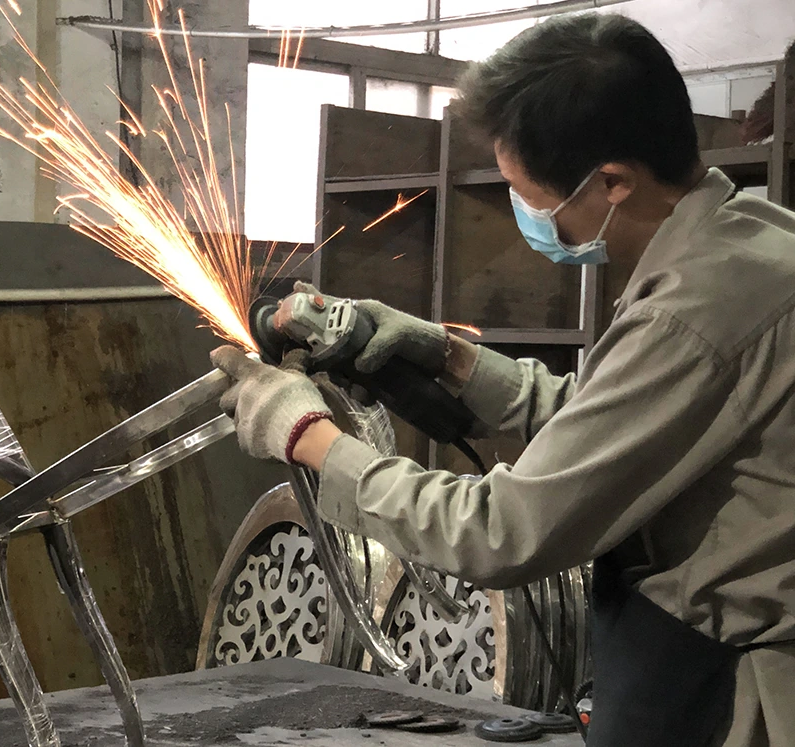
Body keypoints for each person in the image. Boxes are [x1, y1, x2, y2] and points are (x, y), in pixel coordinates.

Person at [213, 13, 795, 747]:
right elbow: (604, 420)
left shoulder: (696, 311)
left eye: (529, 195)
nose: (528, 213)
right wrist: (443, 355)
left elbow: (499, 532)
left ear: (611, 180)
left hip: (739, 702)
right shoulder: (753, 236)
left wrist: (307, 435)